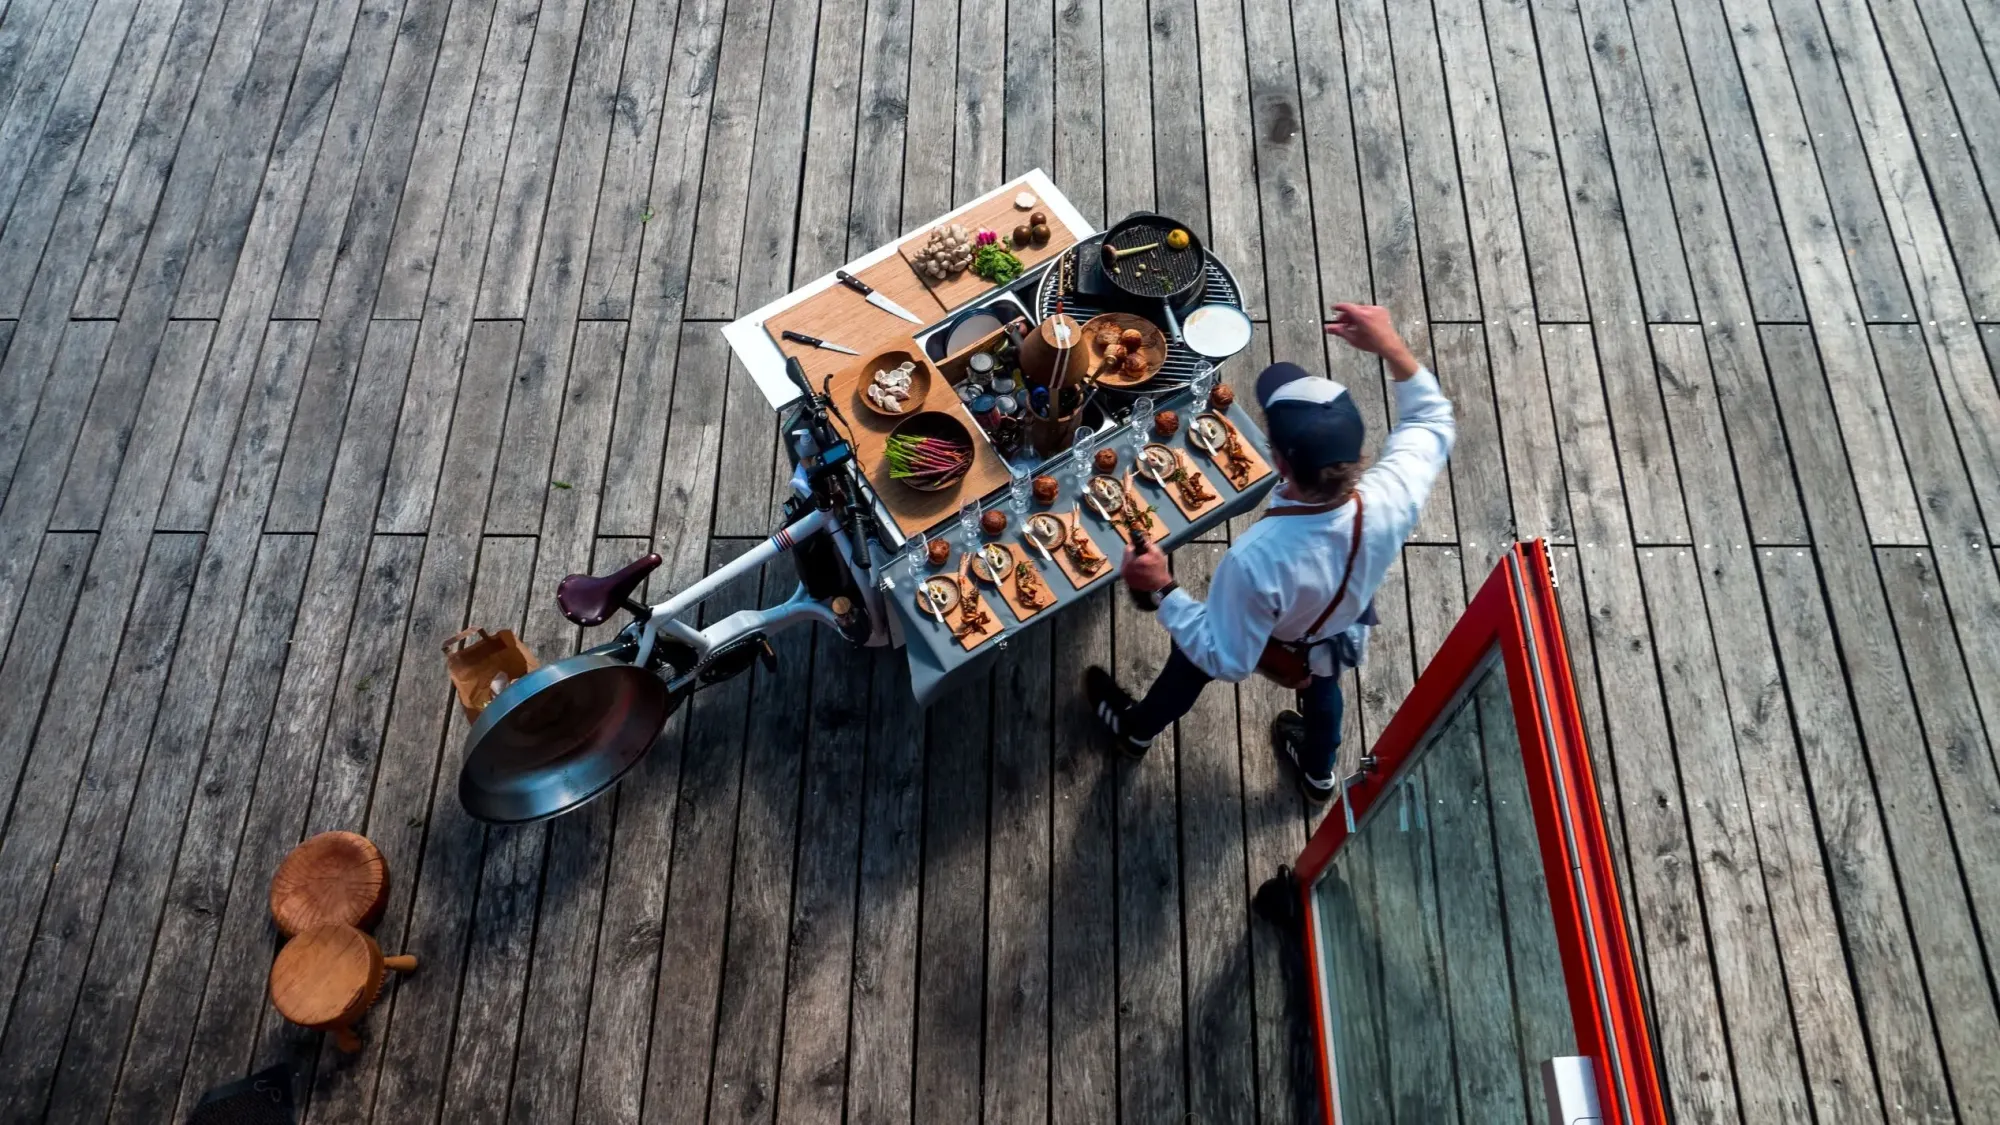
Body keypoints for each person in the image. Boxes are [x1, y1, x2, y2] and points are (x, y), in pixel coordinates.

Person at [1086, 304, 1455, 802]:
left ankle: (1136, 732)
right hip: (1339, 623)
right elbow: (1432, 418)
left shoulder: (1256, 560)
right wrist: (1391, 346)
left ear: (1278, 462)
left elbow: (1226, 657)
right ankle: (1319, 775)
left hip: (1281, 630)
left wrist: (1163, 589)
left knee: (1191, 659)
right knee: (1322, 681)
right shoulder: (1393, 496)